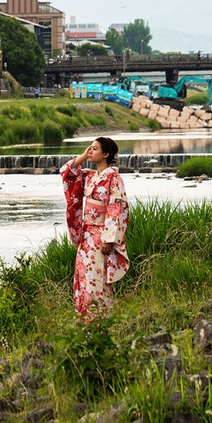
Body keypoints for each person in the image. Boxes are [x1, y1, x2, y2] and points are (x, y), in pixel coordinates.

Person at [60, 136, 130, 320]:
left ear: (106, 154)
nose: (91, 151)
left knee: (96, 278)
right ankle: (85, 320)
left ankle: (100, 320)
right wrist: (83, 156)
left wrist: (109, 239)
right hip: (87, 236)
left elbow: (117, 207)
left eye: (95, 149)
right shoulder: (90, 176)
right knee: (83, 276)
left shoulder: (113, 178)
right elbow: (67, 173)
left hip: (100, 236)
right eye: (89, 148)